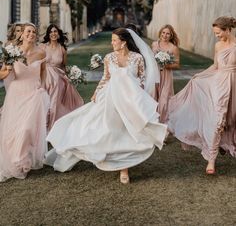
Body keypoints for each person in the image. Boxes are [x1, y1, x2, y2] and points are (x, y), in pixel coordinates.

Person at [45, 28, 167, 184]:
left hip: (131, 99)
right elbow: (105, 78)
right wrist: (96, 92)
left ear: (123, 43)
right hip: (111, 96)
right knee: (104, 128)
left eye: (115, 40)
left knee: (128, 131)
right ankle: (86, 151)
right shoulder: (109, 58)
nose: (112, 43)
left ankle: (124, 169)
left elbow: (142, 79)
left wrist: (139, 100)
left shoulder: (137, 58)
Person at [168, 16, 236, 174]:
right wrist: (200, 75)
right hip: (220, 85)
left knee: (231, 119)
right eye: (215, 33)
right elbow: (216, 65)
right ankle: (211, 160)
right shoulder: (218, 46)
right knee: (217, 119)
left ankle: (225, 145)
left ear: (228, 29)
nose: (217, 36)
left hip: (234, 83)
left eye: (219, 33)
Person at [0, 23, 50, 181]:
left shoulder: (41, 52)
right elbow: (2, 74)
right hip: (16, 93)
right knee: (13, 130)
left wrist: (41, 88)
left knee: (27, 128)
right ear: (22, 34)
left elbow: (43, 73)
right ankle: (16, 159)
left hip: (33, 93)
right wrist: (6, 71)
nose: (31, 34)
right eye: (28, 31)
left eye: (34, 31)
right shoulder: (11, 51)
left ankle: (20, 159)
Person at [41, 24, 84, 131]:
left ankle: (52, 127)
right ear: (48, 34)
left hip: (57, 78)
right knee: (44, 102)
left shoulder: (62, 49)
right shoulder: (43, 47)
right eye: (51, 32)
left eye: (55, 31)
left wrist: (69, 77)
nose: (53, 34)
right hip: (45, 78)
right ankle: (43, 125)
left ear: (59, 34)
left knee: (54, 102)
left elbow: (63, 66)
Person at [152, 24, 180, 123]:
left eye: (168, 34)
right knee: (153, 99)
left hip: (166, 76)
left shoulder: (173, 48)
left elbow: (177, 64)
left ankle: (164, 124)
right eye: (163, 33)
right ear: (160, 33)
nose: (165, 35)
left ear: (171, 35)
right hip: (154, 75)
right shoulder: (154, 44)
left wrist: (165, 65)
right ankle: (155, 123)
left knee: (164, 101)